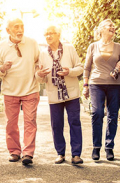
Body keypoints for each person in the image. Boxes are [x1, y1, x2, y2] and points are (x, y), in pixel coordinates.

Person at [0, 17, 40, 166]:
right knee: (11, 123)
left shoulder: (32, 43)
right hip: (10, 91)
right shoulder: (1, 46)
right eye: (16, 27)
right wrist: (3, 68)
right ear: (8, 30)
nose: (20, 30)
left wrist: (39, 70)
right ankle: (14, 151)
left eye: (22, 26)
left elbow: (39, 60)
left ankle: (27, 153)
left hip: (30, 89)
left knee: (30, 122)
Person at [37, 25, 84, 165]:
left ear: (58, 35)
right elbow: (40, 78)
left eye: (51, 33)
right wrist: (39, 75)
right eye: (46, 34)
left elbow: (80, 68)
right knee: (56, 125)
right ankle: (60, 153)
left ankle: (76, 155)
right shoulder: (43, 53)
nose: (48, 36)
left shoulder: (69, 48)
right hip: (54, 94)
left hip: (71, 93)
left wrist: (69, 71)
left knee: (74, 122)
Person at [83, 19, 120, 161]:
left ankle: (109, 147)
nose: (113, 28)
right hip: (96, 84)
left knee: (113, 115)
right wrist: (85, 85)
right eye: (110, 26)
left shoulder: (119, 47)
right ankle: (96, 147)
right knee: (97, 113)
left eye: (114, 26)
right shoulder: (93, 46)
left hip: (115, 85)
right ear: (101, 29)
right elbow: (87, 67)